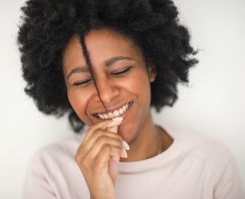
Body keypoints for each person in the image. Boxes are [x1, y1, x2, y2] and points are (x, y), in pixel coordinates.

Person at [17, 0, 244, 198]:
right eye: (81, 81)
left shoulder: (211, 165)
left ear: (151, 68)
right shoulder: (49, 172)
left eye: (120, 70)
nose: (105, 95)